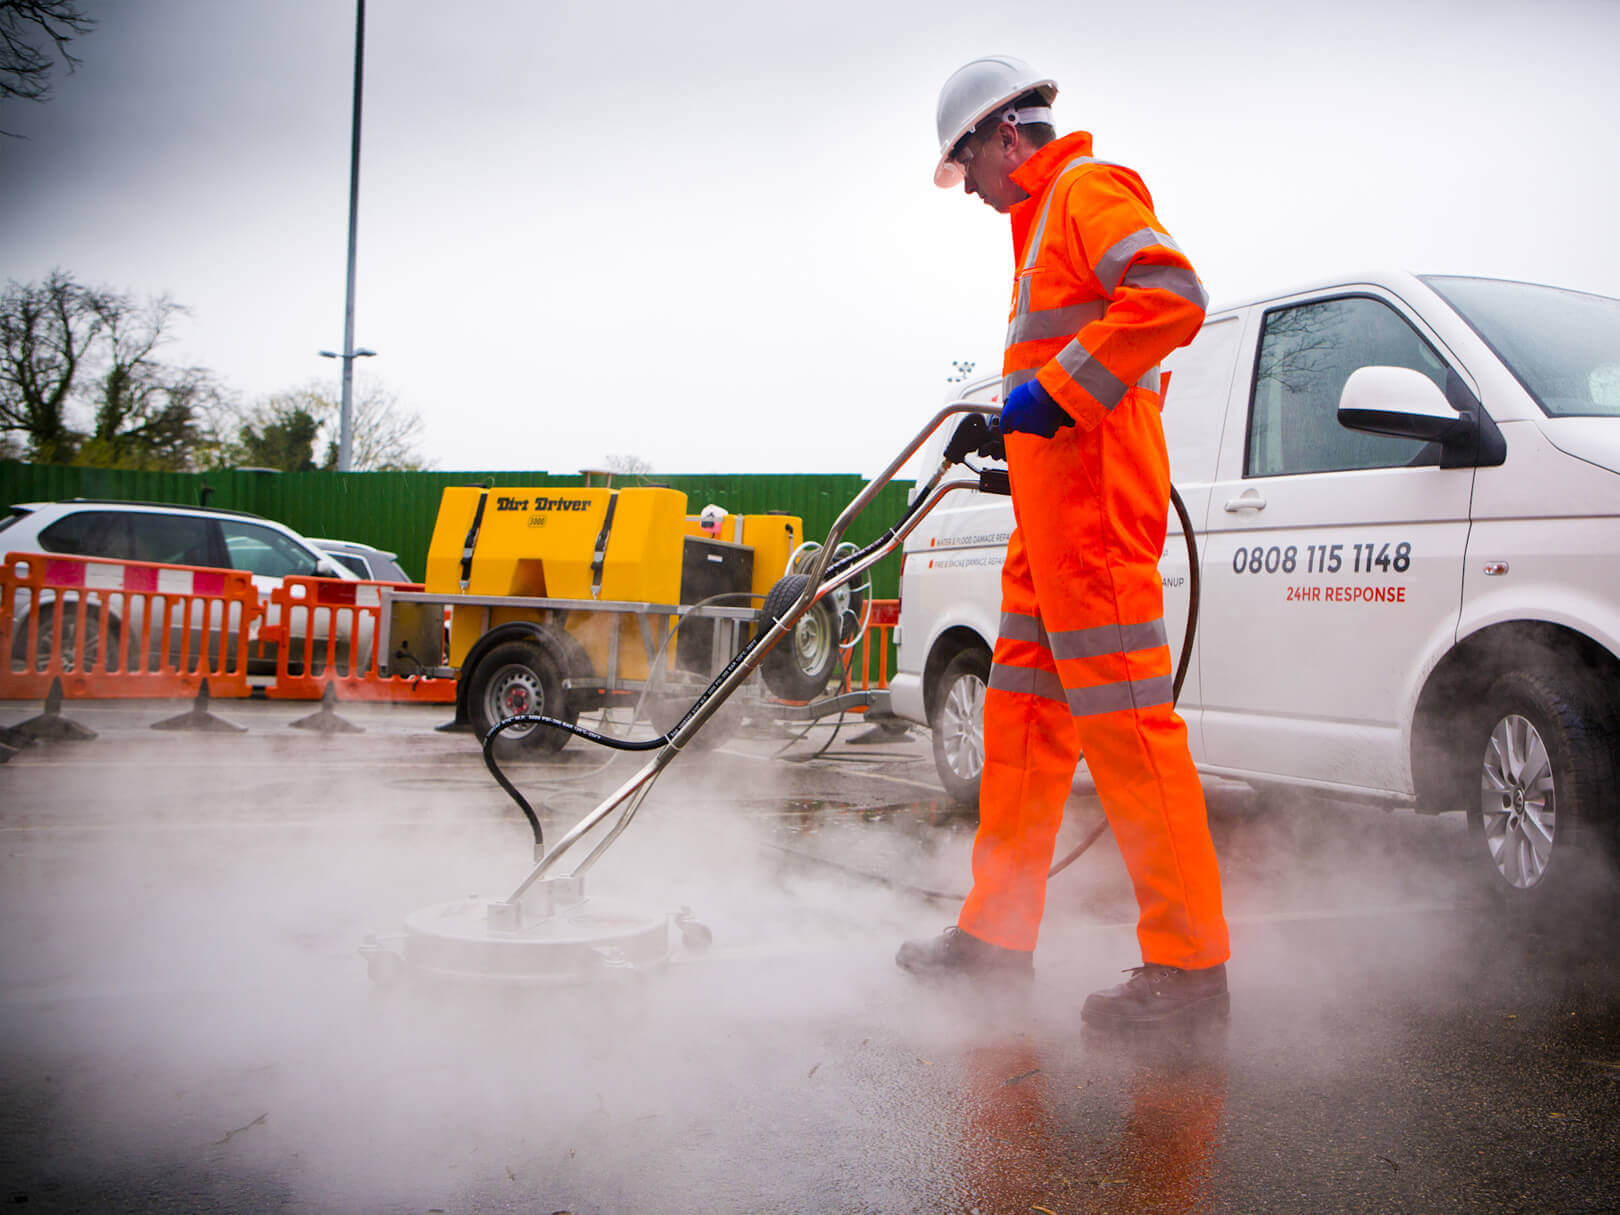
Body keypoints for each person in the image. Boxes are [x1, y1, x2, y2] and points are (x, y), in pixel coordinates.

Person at [896, 55, 1230, 1027]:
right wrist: (1020, 426)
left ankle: (1189, 972)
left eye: (969, 166)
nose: (971, 192)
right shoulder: (1035, 230)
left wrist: (1053, 394)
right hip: (1045, 533)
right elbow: (1066, 369)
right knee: (1022, 731)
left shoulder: (1088, 191)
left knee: (1130, 733)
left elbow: (1171, 293)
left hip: (1095, 521)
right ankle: (995, 937)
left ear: (1007, 135)